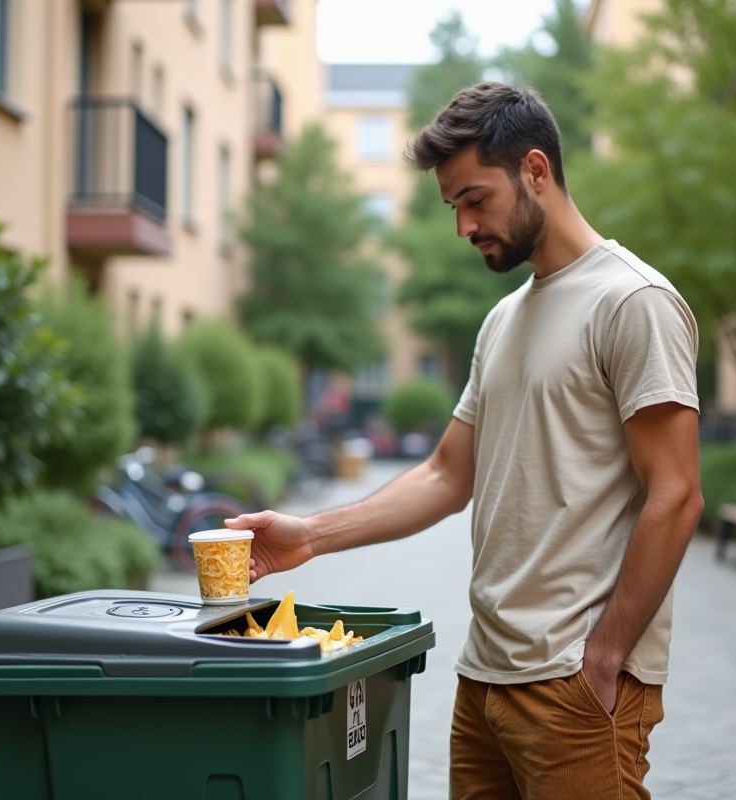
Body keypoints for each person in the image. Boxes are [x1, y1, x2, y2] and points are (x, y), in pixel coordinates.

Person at [225, 82, 703, 800]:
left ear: (535, 171)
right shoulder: (503, 320)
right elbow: (448, 475)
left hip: (573, 684)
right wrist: (312, 536)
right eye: (454, 207)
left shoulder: (633, 303)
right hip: (484, 679)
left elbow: (678, 493)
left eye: (475, 199)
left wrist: (603, 657)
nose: (463, 226)